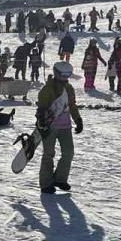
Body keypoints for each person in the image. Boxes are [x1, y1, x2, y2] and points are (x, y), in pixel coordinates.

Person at [35, 62, 83, 194]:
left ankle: (60, 179)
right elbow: (41, 108)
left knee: (68, 152)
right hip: (50, 126)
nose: (65, 78)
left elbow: (72, 105)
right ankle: (46, 183)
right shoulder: (47, 89)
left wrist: (78, 119)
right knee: (48, 154)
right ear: (57, 73)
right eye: (63, 75)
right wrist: (41, 120)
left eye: (68, 75)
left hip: (65, 126)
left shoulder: (69, 88)